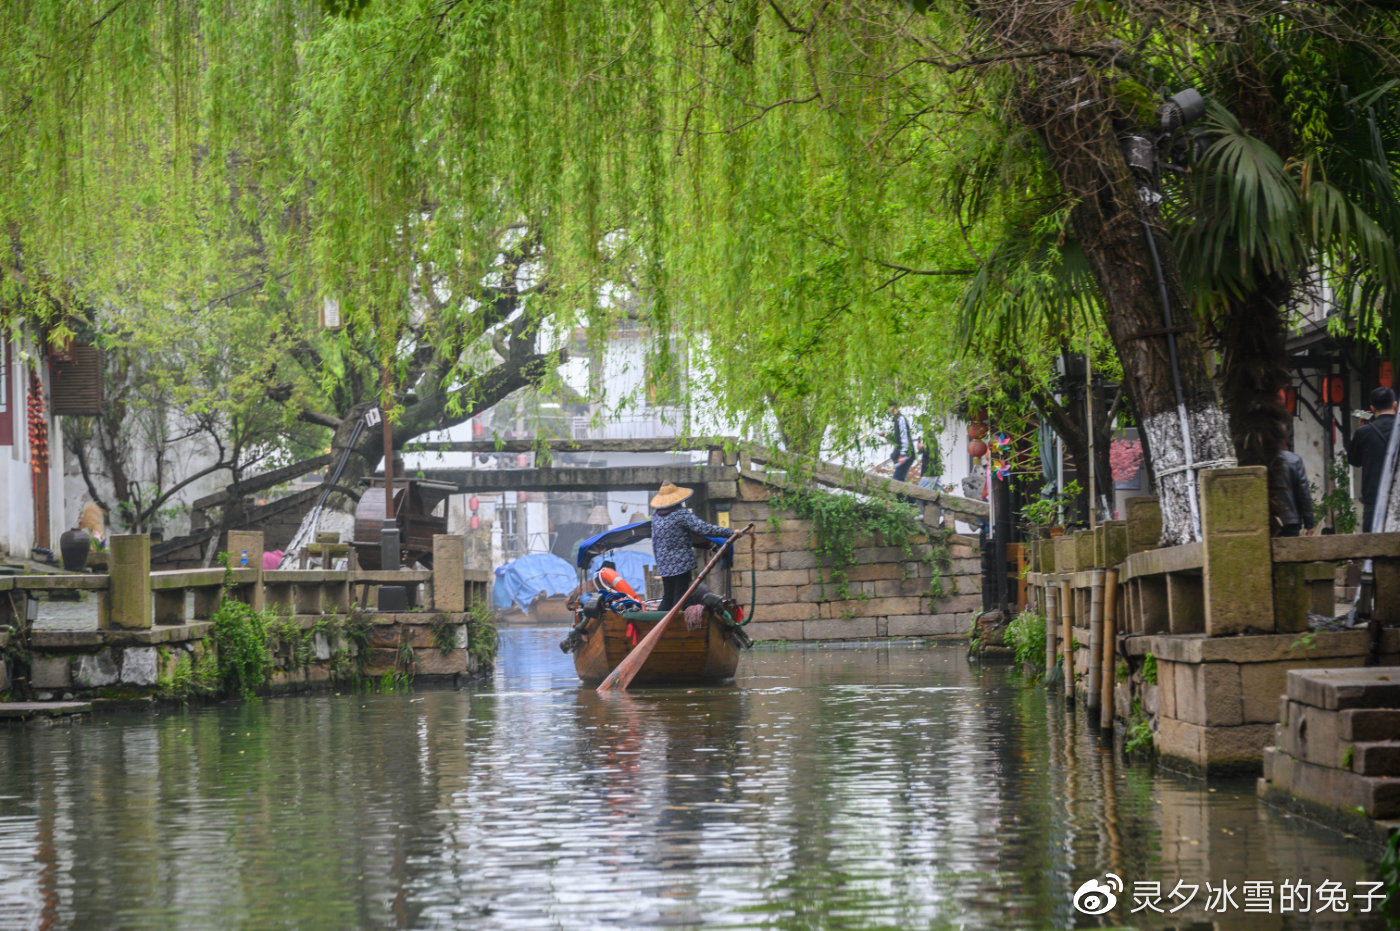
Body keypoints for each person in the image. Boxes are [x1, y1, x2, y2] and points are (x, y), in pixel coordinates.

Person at [650, 482, 733, 611]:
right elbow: (703, 528)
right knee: (680, 599)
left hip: (664, 565)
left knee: (668, 598)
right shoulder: (681, 514)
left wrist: (660, 562)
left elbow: (654, 542)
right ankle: (674, 622)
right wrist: (729, 532)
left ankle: (658, 621)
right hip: (681, 564)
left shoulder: (656, 517)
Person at [1345, 386, 1397, 532]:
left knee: (1373, 541)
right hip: (1398, 498)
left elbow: (1354, 460)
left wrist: (1362, 428)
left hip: (1374, 500)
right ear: (1395, 405)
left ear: (1372, 408)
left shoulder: (1364, 432)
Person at [1267, 425, 1315, 538]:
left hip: (1268, 521)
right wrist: (1309, 524)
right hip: (1290, 521)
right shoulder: (1294, 460)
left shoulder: (1262, 461)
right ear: (1284, 439)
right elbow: (1303, 493)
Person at [888, 401, 914, 483]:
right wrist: (887, 436)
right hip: (905, 453)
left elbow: (904, 437)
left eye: (889, 407)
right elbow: (897, 440)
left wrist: (903, 455)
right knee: (899, 480)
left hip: (906, 454)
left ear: (894, 407)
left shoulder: (900, 419)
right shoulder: (897, 419)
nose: (888, 410)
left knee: (897, 480)